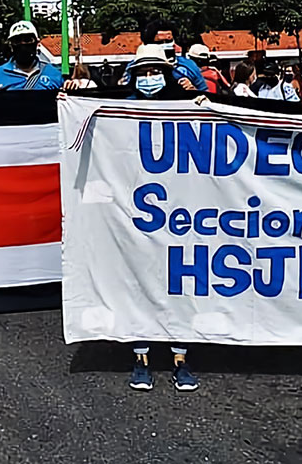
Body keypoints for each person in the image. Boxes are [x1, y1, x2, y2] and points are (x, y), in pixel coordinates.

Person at [118, 45, 200, 392]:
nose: (149, 79)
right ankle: (141, 357)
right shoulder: (119, 109)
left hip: (182, 212)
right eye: (143, 73)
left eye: (155, 72)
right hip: (138, 213)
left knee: (182, 283)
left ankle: (181, 357)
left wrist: (201, 100)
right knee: (140, 283)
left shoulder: (186, 105)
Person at [0, 21, 65, 91]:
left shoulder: (53, 74)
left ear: (37, 43)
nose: (23, 44)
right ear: (11, 46)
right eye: (17, 41)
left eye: (28, 40)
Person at [140, 20, 208, 91]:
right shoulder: (137, 68)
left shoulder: (189, 65)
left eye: (168, 41)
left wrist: (193, 90)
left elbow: (204, 92)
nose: (165, 45)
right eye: (159, 42)